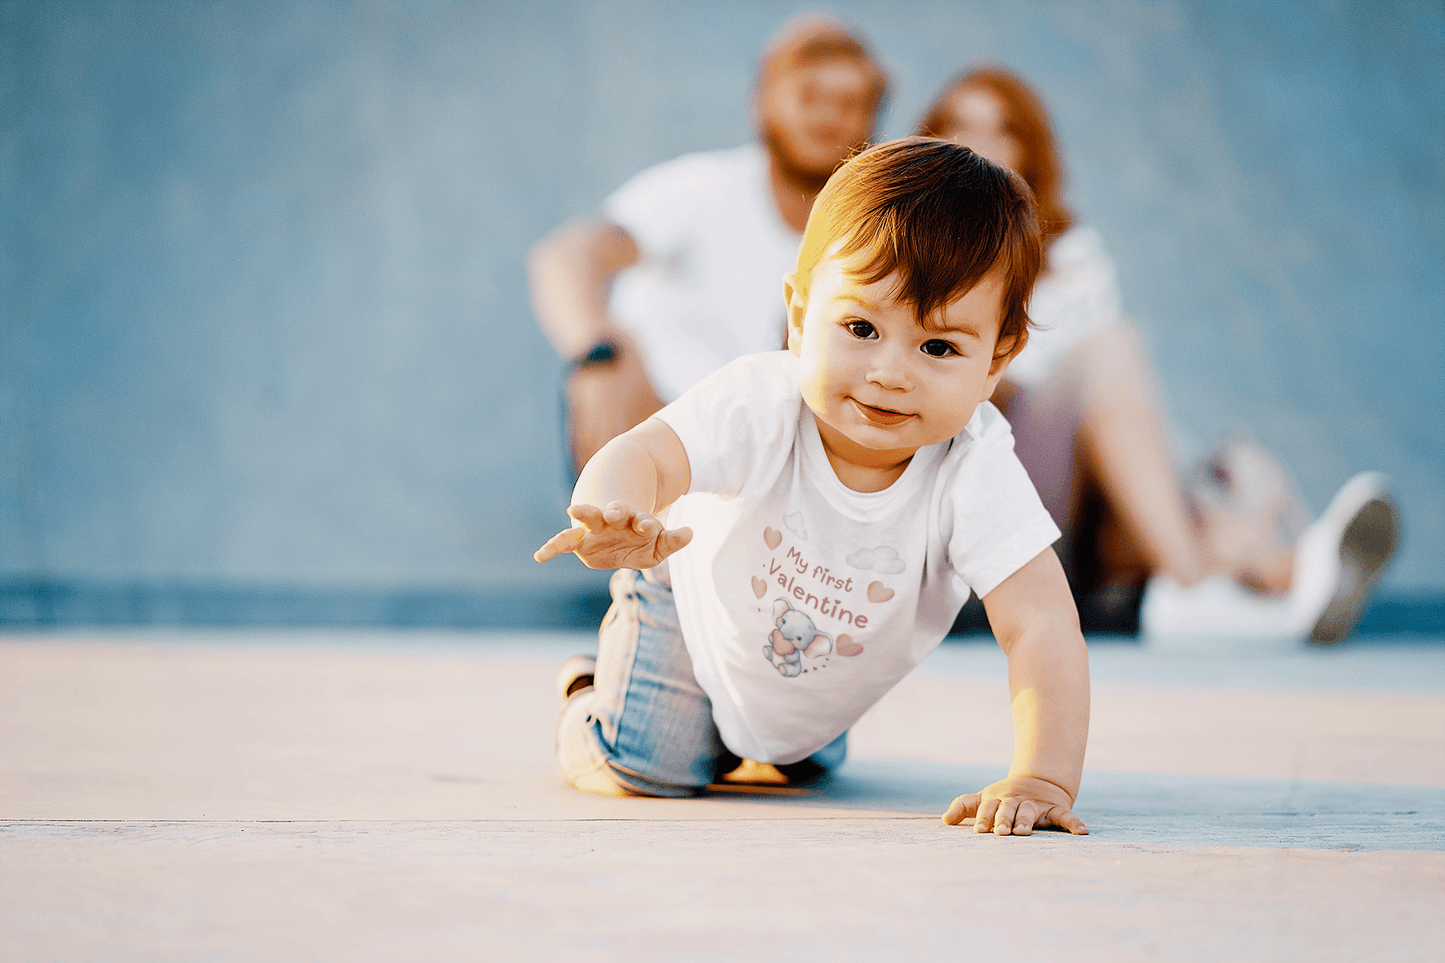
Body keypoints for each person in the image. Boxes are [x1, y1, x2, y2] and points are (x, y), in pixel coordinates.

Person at [535, 138, 1091, 836]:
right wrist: (617, 508)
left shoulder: (972, 467)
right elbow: (646, 452)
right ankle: (591, 697)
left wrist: (1042, 775)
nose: (890, 371)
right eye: (860, 327)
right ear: (799, 318)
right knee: (656, 764)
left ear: (995, 362)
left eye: (939, 346)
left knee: (795, 763)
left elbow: (1040, 622)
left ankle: (769, 736)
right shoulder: (758, 402)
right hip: (690, 602)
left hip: (810, 680)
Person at [917, 66, 1399, 644]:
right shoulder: (907, 249)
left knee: (1137, 409)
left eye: (1002, 130)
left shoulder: (1070, 259)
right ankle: (1247, 582)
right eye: (960, 127)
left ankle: (1284, 581)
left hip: (1077, 513)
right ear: (932, 140)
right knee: (1113, 351)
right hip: (977, 489)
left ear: (1029, 149)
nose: (979, 145)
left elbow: (1111, 422)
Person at [528, 16, 888, 474]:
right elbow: (568, 257)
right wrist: (597, 352)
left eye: (849, 102)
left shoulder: (876, 234)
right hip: (651, 432)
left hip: (775, 463)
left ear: (874, 119)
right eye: (808, 95)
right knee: (604, 384)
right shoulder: (705, 190)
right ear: (759, 104)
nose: (827, 115)